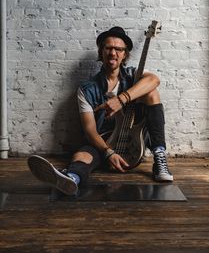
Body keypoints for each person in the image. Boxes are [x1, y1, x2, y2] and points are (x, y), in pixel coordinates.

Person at [28, 26, 173, 196]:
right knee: (81, 156)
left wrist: (121, 99)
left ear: (124, 54)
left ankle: (159, 158)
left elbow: (154, 80)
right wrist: (108, 153)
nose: (113, 53)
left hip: (134, 141)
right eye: (108, 48)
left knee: (151, 92)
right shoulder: (86, 89)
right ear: (101, 51)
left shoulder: (134, 76)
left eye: (118, 49)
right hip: (104, 143)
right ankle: (70, 179)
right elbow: (90, 130)